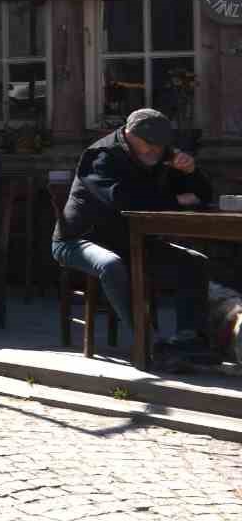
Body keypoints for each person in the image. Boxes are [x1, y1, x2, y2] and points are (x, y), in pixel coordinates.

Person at [51, 108, 213, 372]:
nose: (153, 152)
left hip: (132, 242)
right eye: (147, 146)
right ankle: (151, 344)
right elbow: (123, 200)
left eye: (159, 147)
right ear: (128, 135)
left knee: (194, 263)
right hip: (78, 240)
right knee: (112, 265)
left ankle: (190, 341)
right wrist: (175, 201)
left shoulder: (162, 155)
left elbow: (201, 194)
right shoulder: (100, 156)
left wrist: (192, 171)